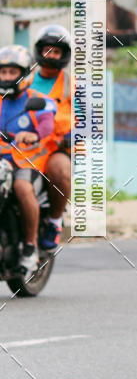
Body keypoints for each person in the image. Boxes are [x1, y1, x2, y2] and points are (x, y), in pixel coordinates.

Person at [0, 45, 57, 272]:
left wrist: (34, 134)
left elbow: (47, 123)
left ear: (24, 74)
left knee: (22, 187)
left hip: (27, 161)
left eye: (12, 72)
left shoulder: (38, 99)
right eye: (3, 72)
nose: (6, 77)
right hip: (2, 161)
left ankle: (30, 247)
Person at [30, 24, 73, 250]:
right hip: (23, 145)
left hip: (56, 148)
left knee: (60, 171)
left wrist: (70, 137)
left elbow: (89, 123)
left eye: (56, 51)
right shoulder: (23, 80)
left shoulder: (72, 85)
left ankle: (55, 221)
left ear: (64, 55)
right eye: (48, 50)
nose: (51, 55)